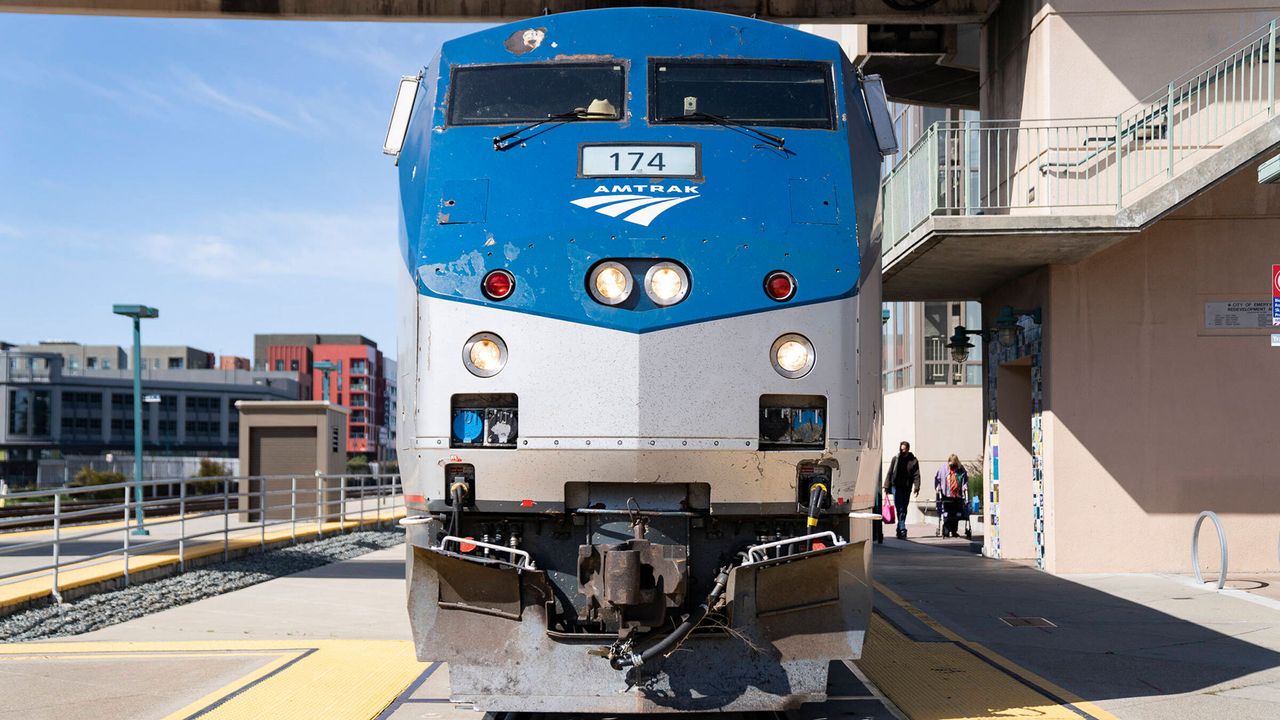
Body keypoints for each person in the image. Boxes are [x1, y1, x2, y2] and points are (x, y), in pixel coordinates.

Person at [883, 441, 920, 539]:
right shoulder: (896, 459)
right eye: (901, 449)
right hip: (896, 487)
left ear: (908, 449)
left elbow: (916, 475)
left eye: (904, 449)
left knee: (904, 508)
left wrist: (916, 487)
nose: (902, 451)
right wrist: (886, 486)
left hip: (907, 488)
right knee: (900, 508)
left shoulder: (913, 461)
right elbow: (890, 472)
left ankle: (899, 529)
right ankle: (902, 529)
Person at [934, 454, 970, 538]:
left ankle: (954, 531)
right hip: (946, 494)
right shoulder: (943, 469)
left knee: (956, 514)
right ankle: (946, 531)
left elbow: (965, 480)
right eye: (950, 465)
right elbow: (937, 479)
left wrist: (965, 487)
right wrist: (938, 487)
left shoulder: (961, 469)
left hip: (957, 495)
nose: (952, 467)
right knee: (947, 514)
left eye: (954, 465)